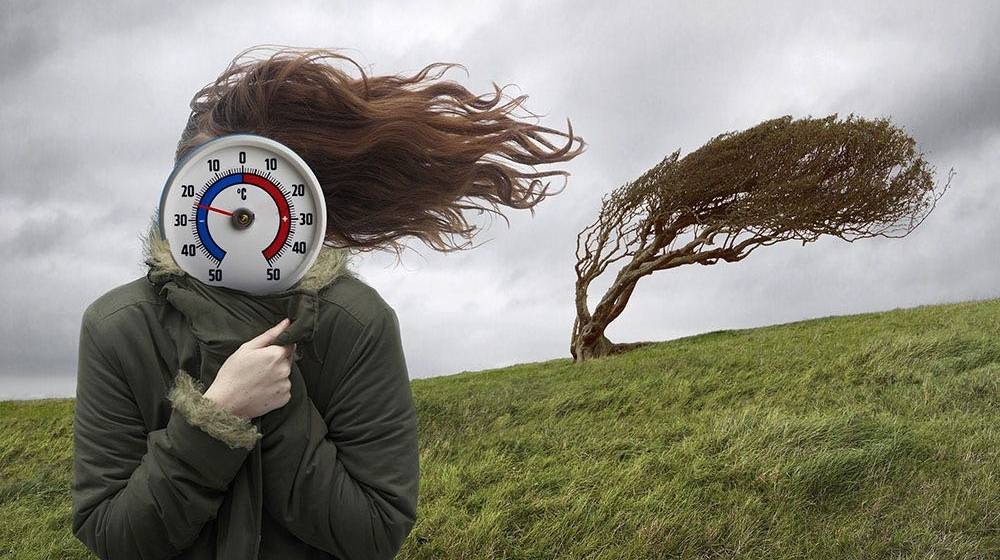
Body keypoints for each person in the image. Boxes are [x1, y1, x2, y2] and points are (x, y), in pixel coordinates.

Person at [71, 45, 586, 560]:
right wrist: (217, 417)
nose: (237, 214)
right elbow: (112, 535)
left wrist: (273, 406)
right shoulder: (117, 328)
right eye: (212, 183)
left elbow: (375, 531)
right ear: (178, 192)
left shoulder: (356, 323)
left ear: (295, 193)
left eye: (252, 188)